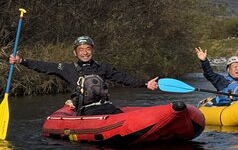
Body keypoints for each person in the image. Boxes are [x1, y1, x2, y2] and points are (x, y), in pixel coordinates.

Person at [8, 35, 159, 115]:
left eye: (88, 49)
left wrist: (145, 84)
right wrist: (22, 61)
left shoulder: (103, 67)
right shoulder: (66, 69)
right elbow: (44, 66)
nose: (85, 52)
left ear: (93, 51)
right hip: (86, 111)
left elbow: (123, 78)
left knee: (116, 111)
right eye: (81, 49)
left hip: (106, 107)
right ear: (75, 52)